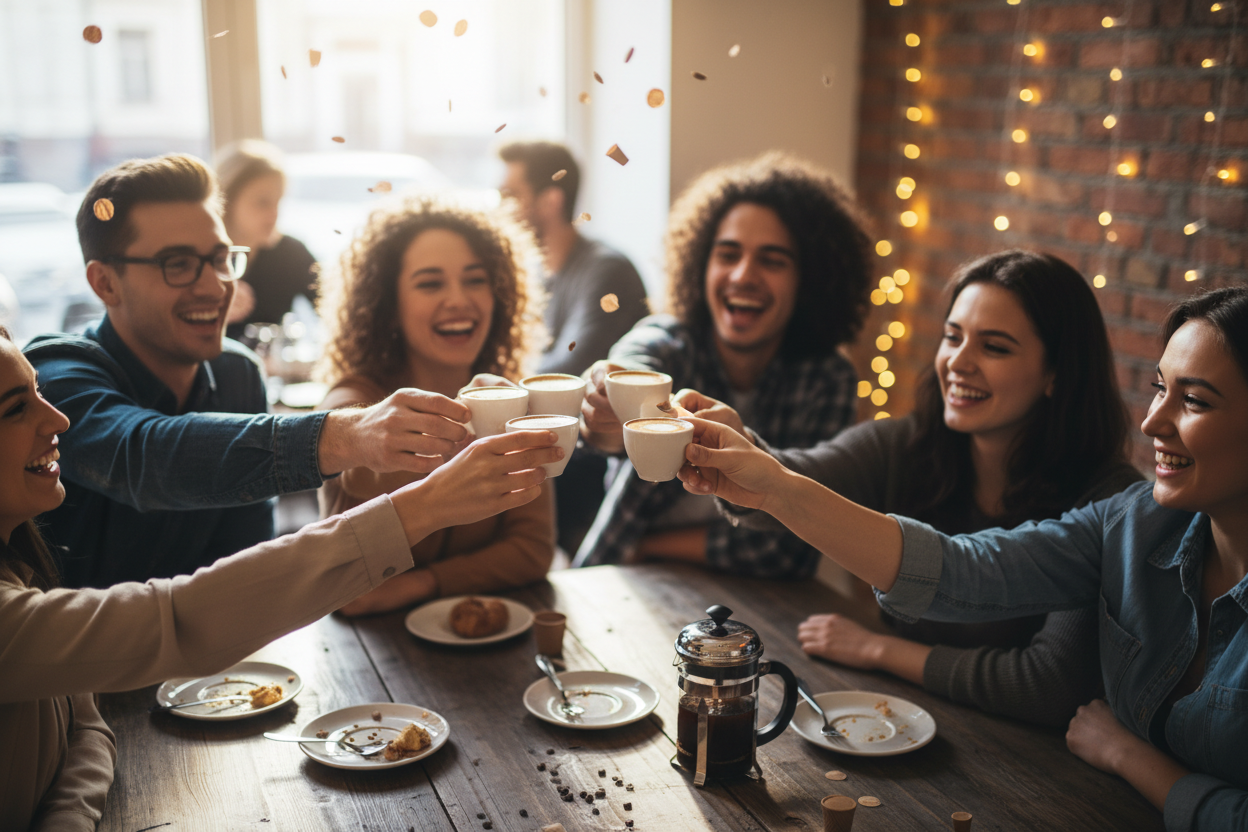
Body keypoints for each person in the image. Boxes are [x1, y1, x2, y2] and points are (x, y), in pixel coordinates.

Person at [678, 284, 1248, 831]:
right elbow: (964, 571)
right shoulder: (1136, 520)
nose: (1152, 422)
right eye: (1159, 389)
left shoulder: (1108, 490)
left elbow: (1046, 684)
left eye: (1194, 400)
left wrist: (1134, 759)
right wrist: (772, 485)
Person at [0, 324, 561, 830]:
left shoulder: (21, 574)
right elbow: (181, 614)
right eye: (15, 408)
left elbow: (84, 725)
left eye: (40, 394)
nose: (58, 420)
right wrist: (421, 505)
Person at [682, 251, 1142, 726]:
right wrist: (739, 442)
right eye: (953, 337)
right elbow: (792, 484)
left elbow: (1046, 685)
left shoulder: (1110, 502)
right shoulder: (908, 444)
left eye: (994, 347)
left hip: (1022, 752)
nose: (958, 362)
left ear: (1057, 373)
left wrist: (879, 649)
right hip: (894, 716)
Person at [23, 154, 480, 588]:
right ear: (105, 283)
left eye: (220, 260)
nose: (215, 286)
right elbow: (143, 457)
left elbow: (245, 571)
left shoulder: (238, 375)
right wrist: (350, 435)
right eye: (178, 265)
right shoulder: (51, 375)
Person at [573, 152, 871, 578]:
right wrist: (606, 400)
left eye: (772, 260)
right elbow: (631, 366)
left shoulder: (827, 378)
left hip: (760, 600)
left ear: (809, 280)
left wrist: (648, 546)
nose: (743, 275)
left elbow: (793, 547)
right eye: (728, 254)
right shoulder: (672, 342)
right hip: (624, 583)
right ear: (701, 264)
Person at [315, 197, 555, 615]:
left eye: (475, 280)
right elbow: (360, 475)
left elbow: (532, 550)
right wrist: (460, 423)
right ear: (389, 306)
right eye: (430, 284)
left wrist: (421, 583)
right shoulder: (352, 401)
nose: (459, 299)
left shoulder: (506, 399)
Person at [499, 141, 648, 553]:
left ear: (550, 201)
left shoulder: (607, 271)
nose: (500, 208)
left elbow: (567, 377)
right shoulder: (540, 273)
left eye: (510, 196)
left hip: (600, 459)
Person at [216, 140, 318, 341]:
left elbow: (335, 306)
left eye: (278, 202)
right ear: (226, 200)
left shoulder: (291, 254)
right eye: (262, 202)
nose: (274, 214)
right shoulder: (202, 256)